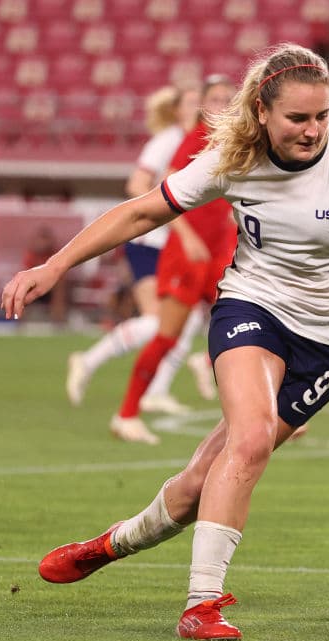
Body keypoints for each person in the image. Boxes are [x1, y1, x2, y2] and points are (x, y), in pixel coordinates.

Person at [0, 43, 329, 641]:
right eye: (297, 118)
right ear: (262, 112)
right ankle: (203, 605)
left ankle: (110, 543)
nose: (313, 131)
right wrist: (57, 264)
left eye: (322, 116)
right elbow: (142, 214)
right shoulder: (232, 160)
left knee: (198, 487)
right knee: (250, 442)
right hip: (253, 308)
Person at [66, 84, 215, 415]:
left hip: (175, 245)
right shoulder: (168, 141)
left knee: (186, 320)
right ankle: (89, 361)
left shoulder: (204, 141)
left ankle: (156, 389)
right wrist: (166, 213)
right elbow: (136, 184)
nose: (198, 108)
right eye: (191, 103)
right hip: (151, 242)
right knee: (160, 321)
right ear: (176, 111)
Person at [108, 74, 237, 444]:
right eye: (214, 98)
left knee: (248, 318)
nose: (222, 104)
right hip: (188, 252)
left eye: (229, 98)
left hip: (218, 249)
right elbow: (166, 188)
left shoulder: (233, 143)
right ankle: (127, 413)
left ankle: (262, 402)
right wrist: (187, 235)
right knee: (167, 336)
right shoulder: (194, 139)